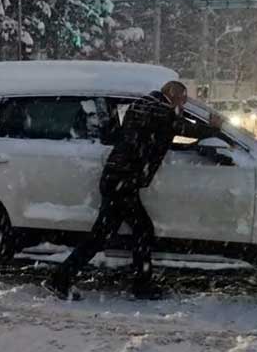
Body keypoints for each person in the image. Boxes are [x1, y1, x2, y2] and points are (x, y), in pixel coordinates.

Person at [46, 81, 222, 301]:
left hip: (118, 178)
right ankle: (140, 285)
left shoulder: (145, 105)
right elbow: (182, 128)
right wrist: (214, 128)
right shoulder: (159, 110)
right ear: (173, 95)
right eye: (183, 100)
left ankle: (62, 278)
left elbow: (161, 133)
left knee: (106, 235)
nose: (183, 104)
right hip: (123, 181)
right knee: (138, 231)